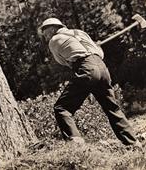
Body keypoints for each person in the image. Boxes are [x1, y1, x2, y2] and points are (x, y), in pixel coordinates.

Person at [38, 17, 137, 146]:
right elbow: (100, 53)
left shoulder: (54, 40)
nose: (45, 37)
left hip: (86, 68)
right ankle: (133, 143)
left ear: (52, 28)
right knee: (112, 108)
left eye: (45, 32)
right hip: (102, 68)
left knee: (62, 108)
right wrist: (95, 47)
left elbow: (63, 61)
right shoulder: (80, 33)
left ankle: (77, 145)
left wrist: (81, 56)